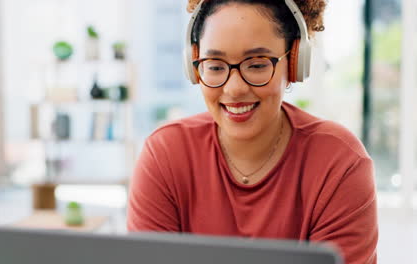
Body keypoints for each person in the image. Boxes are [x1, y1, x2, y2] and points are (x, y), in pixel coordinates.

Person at [127, 0, 378, 263]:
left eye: (257, 65)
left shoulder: (339, 164)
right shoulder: (166, 155)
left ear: (295, 62)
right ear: (194, 67)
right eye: (214, 65)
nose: (234, 89)